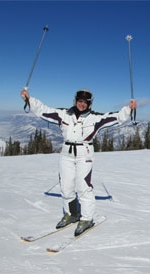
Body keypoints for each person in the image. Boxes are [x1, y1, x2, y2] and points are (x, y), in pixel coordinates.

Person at [20, 88, 137, 236]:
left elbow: (116, 117)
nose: (82, 104)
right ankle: (71, 214)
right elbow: (44, 111)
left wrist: (128, 109)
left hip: (85, 154)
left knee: (83, 187)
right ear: (75, 101)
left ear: (90, 104)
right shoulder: (64, 114)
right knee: (66, 186)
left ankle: (87, 218)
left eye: (85, 102)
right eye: (79, 101)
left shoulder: (95, 118)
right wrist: (29, 100)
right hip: (66, 153)